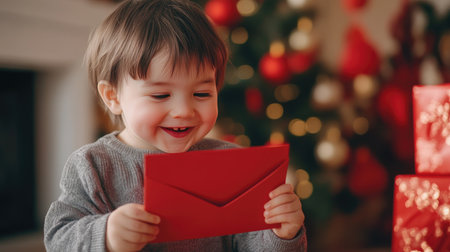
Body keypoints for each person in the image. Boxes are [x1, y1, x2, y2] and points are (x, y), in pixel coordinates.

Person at [44, 0, 307, 251]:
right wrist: (106, 234)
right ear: (113, 97)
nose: (184, 111)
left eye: (202, 94)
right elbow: (57, 238)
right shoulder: (91, 165)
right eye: (160, 95)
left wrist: (281, 233)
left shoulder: (227, 161)